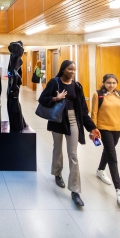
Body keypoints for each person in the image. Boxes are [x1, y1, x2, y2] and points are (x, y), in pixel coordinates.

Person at [39, 60, 100, 207]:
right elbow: (42, 99)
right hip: (58, 120)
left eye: (74, 69)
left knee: (73, 155)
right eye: (69, 69)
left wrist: (92, 127)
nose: (72, 72)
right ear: (63, 69)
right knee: (57, 149)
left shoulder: (77, 86)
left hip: (73, 120)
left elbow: (83, 109)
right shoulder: (55, 83)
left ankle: (75, 191)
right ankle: (57, 173)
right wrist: (56, 98)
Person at [90, 74, 120, 205]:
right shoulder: (98, 95)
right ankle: (119, 190)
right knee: (112, 156)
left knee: (108, 151)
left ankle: (100, 170)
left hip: (117, 129)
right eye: (109, 82)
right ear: (103, 83)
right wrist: (93, 130)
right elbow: (93, 113)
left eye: (114, 83)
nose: (111, 85)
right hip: (103, 129)